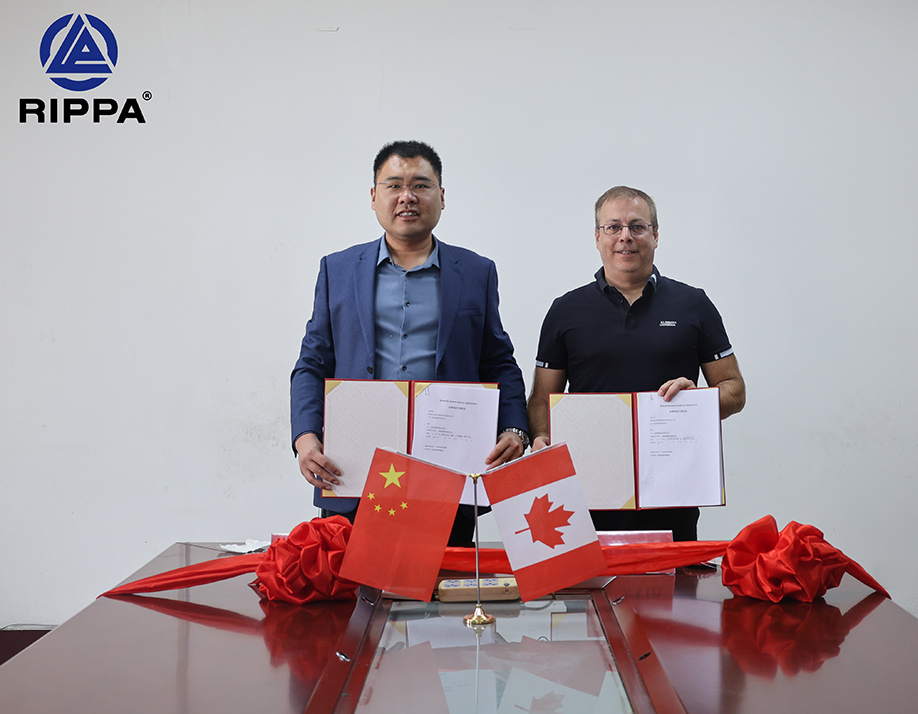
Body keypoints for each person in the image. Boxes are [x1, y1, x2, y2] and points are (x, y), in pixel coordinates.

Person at [291, 140, 529, 544]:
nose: (407, 196)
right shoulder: (338, 269)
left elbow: (498, 361)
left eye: (420, 185)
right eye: (394, 185)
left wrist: (514, 429)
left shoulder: (476, 272)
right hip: (355, 467)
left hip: (447, 470)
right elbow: (312, 363)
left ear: (441, 196)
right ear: (373, 196)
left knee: (444, 579)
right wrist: (305, 437)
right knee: (352, 579)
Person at [527, 186, 745, 541]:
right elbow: (540, 399)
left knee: (672, 578)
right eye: (613, 227)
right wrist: (540, 438)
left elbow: (735, 390)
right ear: (597, 237)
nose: (625, 236)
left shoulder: (694, 304)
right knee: (590, 577)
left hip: (672, 492)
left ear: (655, 235)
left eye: (637, 226)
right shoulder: (565, 310)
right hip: (586, 494)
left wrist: (698, 401)